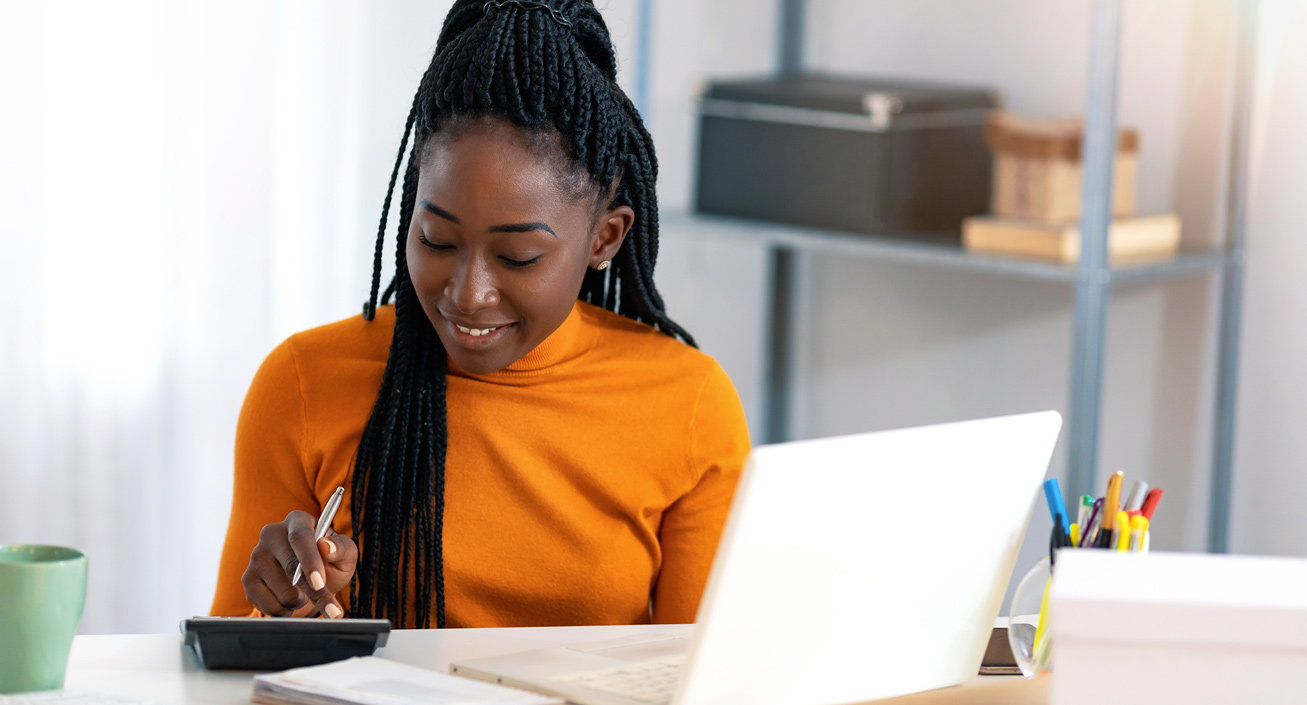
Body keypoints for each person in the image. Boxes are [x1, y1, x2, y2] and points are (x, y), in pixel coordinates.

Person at [210, 0, 751, 629]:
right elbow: (226, 670)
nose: (469, 294)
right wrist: (285, 613)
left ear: (605, 238)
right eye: (437, 241)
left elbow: (709, 680)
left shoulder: (687, 406)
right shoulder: (303, 384)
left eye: (518, 256)